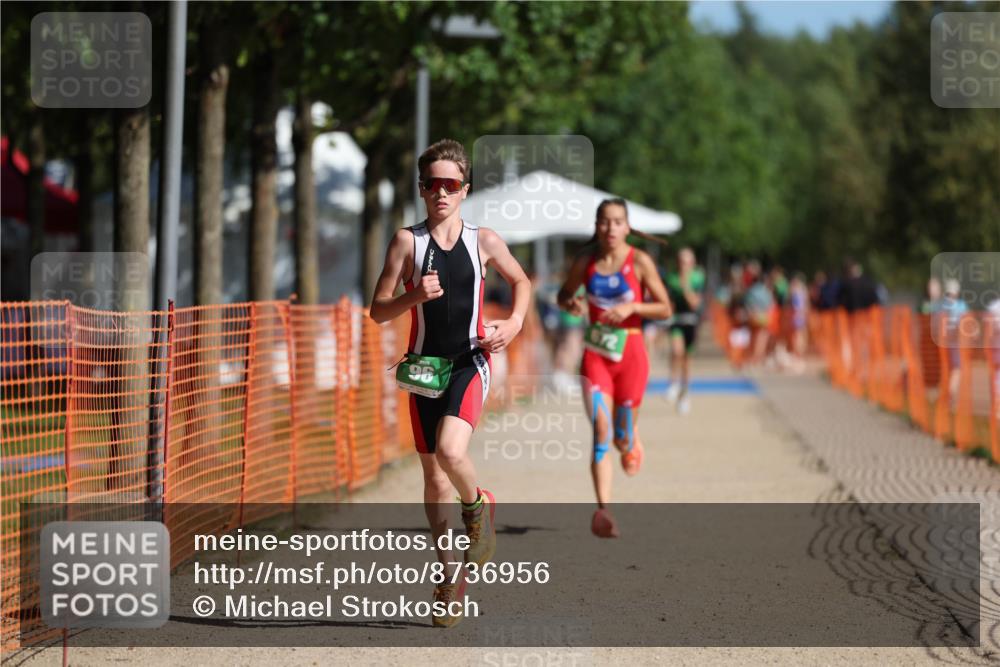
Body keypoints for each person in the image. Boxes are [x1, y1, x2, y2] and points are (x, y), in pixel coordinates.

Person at [369, 139, 531, 627]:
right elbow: (378, 310)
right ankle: (449, 579)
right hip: (423, 368)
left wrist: (516, 321)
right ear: (421, 189)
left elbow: (521, 282)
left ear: (465, 189)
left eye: (451, 185)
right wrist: (411, 295)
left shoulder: (483, 240)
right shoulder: (406, 241)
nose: (441, 193)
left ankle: (478, 505)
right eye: (432, 184)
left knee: (451, 454)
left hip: (469, 360)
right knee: (433, 477)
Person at [557, 198, 672, 538]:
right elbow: (563, 294)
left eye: (617, 222)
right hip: (596, 355)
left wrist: (633, 307)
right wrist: (571, 302)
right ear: (597, 225)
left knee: (620, 436)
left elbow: (665, 308)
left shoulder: (640, 262)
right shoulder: (586, 261)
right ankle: (603, 510)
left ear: (627, 226)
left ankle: (631, 441)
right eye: (605, 222)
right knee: (601, 430)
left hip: (632, 353)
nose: (610, 228)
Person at [663, 247, 705, 415]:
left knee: (687, 361)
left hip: (692, 322)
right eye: (681, 261)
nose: (684, 265)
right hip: (676, 321)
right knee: (676, 351)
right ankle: (673, 382)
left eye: (687, 262)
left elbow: (694, 303)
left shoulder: (697, 278)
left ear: (692, 263)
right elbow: (668, 300)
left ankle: (685, 396)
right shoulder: (671, 278)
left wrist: (685, 285)